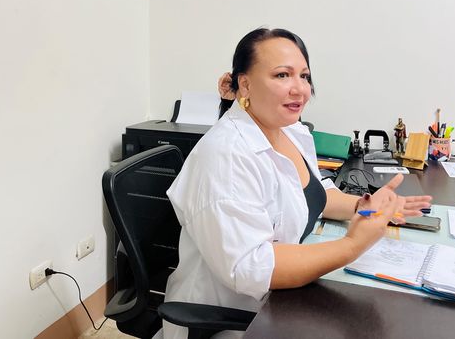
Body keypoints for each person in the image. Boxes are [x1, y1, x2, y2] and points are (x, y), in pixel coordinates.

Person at [163, 28, 432, 339]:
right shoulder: (227, 156)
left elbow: (316, 193)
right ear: (245, 84)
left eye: (304, 76)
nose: (300, 89)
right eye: (282, 75)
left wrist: (366, 206)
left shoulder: (291, 131)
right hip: (238, 320)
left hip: (285, 301)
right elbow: (252, 268)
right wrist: (352, 245)